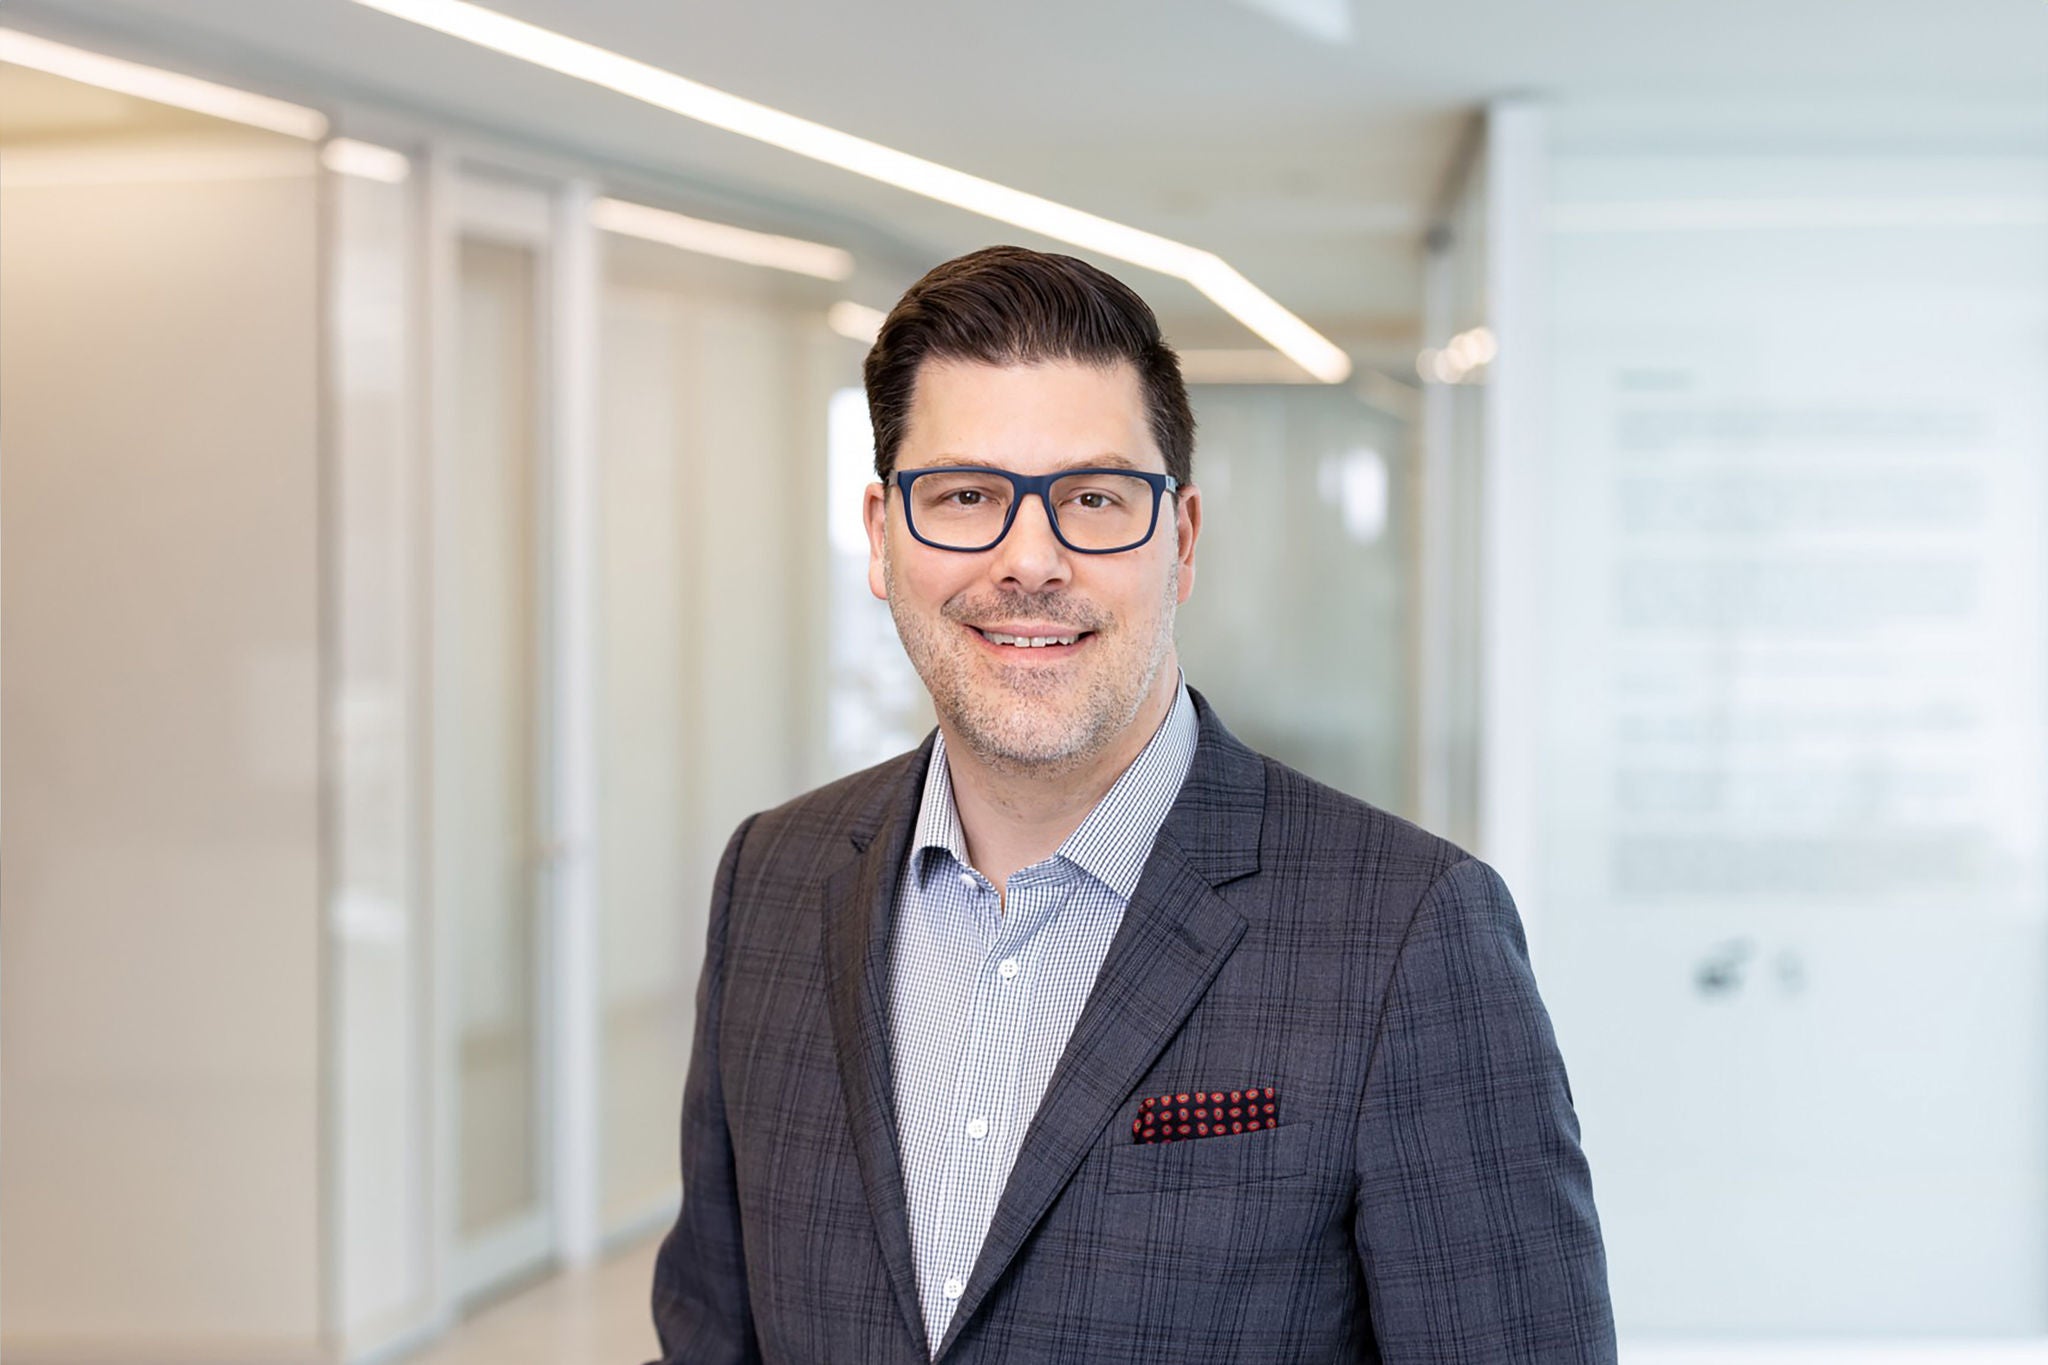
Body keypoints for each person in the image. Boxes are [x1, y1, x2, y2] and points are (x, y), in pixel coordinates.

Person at [647, 245, 1614, 1363]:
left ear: (1181, 540)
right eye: (964, 496)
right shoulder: (772, 878)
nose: (1030, 561)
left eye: (1093, 499)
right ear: (880, 534)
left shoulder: (1408, 930)